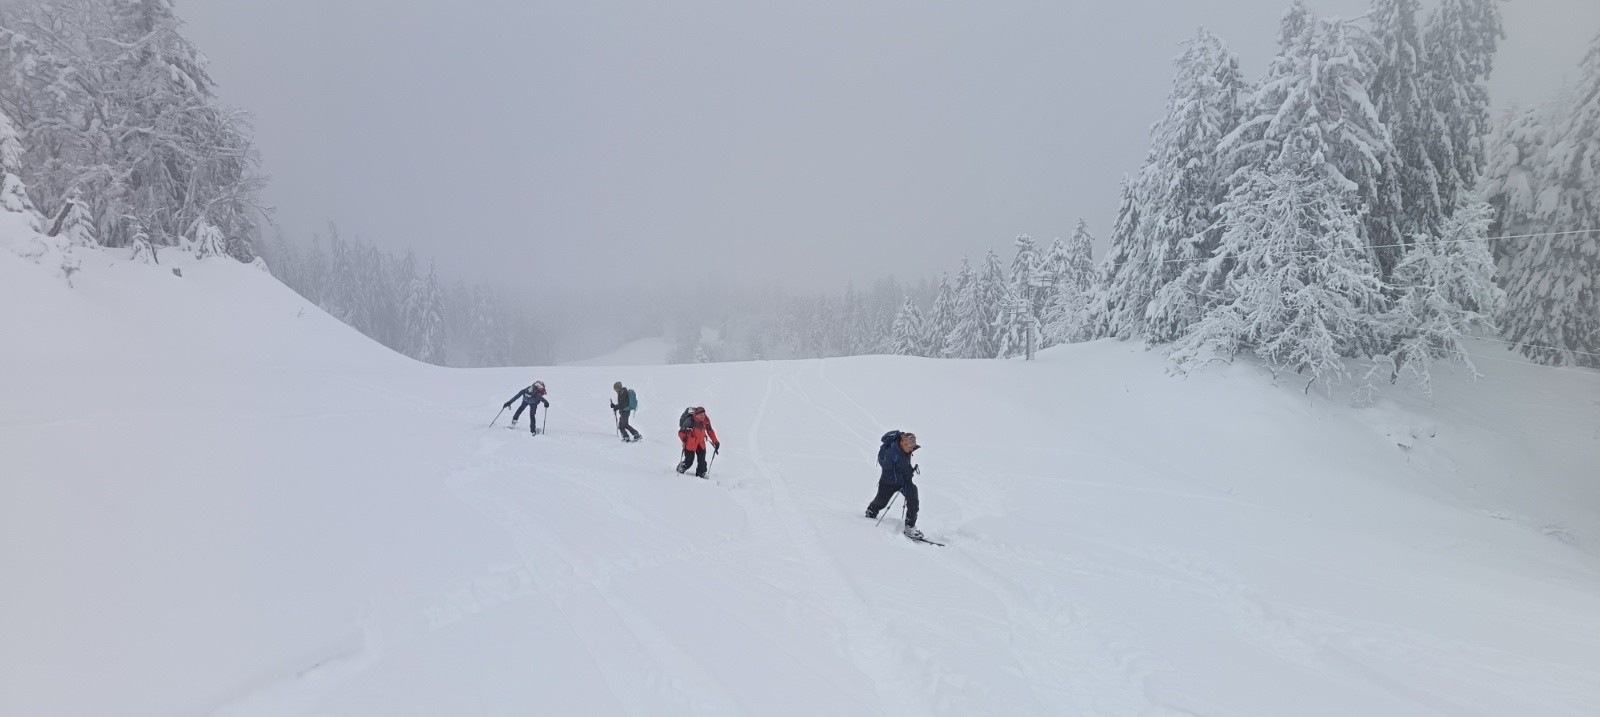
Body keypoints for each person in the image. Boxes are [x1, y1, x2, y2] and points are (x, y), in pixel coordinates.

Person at [864, 430, 924, 539]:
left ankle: (910, 527)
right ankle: (871, 511)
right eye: (910, 447)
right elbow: (888, 469)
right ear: (903, 443)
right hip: (888, 482)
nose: (912, 450)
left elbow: (904, 464)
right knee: (881, 502)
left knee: (913, 498)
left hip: (904, 481)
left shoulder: (906, 449)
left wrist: (908, 472)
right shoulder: (890, 452)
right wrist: (905, 474)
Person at [675, 406, 720, 478]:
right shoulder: (690, 421)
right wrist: (685, 439)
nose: (703, 416)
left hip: (700, 444)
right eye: (701, 415)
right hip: (690, 444)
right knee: (689, 462)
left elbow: (710, 431)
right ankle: (681, 468)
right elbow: (681, 432)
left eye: (704, 414)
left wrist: (716, 442)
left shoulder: (706, 420)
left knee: (702, 462)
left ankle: (701, 474)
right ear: (696, 415)